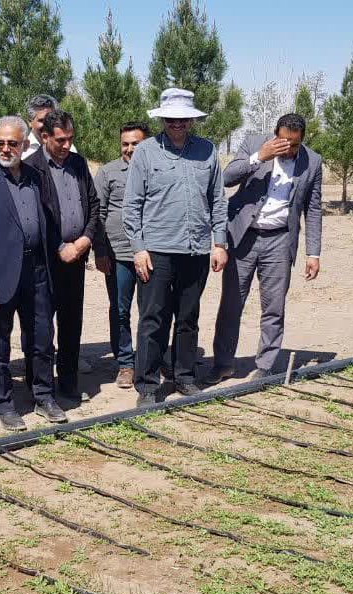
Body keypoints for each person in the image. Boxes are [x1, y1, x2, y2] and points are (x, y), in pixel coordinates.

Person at [122, 88, 228, 407]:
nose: (177, 123)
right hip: (156, 251)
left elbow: (217, 200)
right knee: (153, 319)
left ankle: (184, 376)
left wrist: (219, 243)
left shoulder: (207, 151)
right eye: (171, 118)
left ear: (191, 120)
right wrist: (139, 249)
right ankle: (147, 385)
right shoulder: (146, 152)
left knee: (188, 317)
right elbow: (132, 205)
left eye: (183, 119)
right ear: (163, 119)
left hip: (196, 250)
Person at [0, 116, 66, 431]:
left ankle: (43, 396)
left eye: (12, 143)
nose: (5, 149)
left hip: (37, 272)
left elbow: (48, 220)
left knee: (42, 338)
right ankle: (3, 405)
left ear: (24, 144)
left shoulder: (35, 176)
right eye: (0, 143)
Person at [209, 114, 323, 382]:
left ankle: (265, 366)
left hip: (280, 240)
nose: (288, 148)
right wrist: (260, 156)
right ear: (274, 134)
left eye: (294, 144)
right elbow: (226, 178)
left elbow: (313, 208)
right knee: (231, 304)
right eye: (283, 142)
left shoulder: (313, 161)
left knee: (274, 306)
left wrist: (313, 253)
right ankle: (223, 364)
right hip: (243, 237)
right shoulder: (254, 143)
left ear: (302, 140)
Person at [24, 109, 101, 402]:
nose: (67, 145)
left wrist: (85, 240)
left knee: (71, 324)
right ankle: (38, 386)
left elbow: (93, 204)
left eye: (70, 138)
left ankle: (68, 383)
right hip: (45, 261)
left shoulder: (78, 163)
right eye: (60, 140)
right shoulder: (31, 168)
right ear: (44, 137)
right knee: (40, 328)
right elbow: (36, 215)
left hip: (76, 257)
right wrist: (59, 247)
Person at [94, 121, 149, 389]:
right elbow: (98, 213)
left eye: (135, 144)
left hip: (151, 254)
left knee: (152, 311)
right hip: (117, 254)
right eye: (125, 144)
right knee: (120, 310)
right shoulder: (108, 172)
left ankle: (150, 359)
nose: (129, 149)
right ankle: (125, 363)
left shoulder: (155, 169)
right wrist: (100, 251)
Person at [21, 94, 77, 160]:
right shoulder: (22, 151)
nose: (47, 124)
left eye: (51, 119)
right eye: (42, 120)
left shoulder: (69, 148)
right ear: (30, 122)